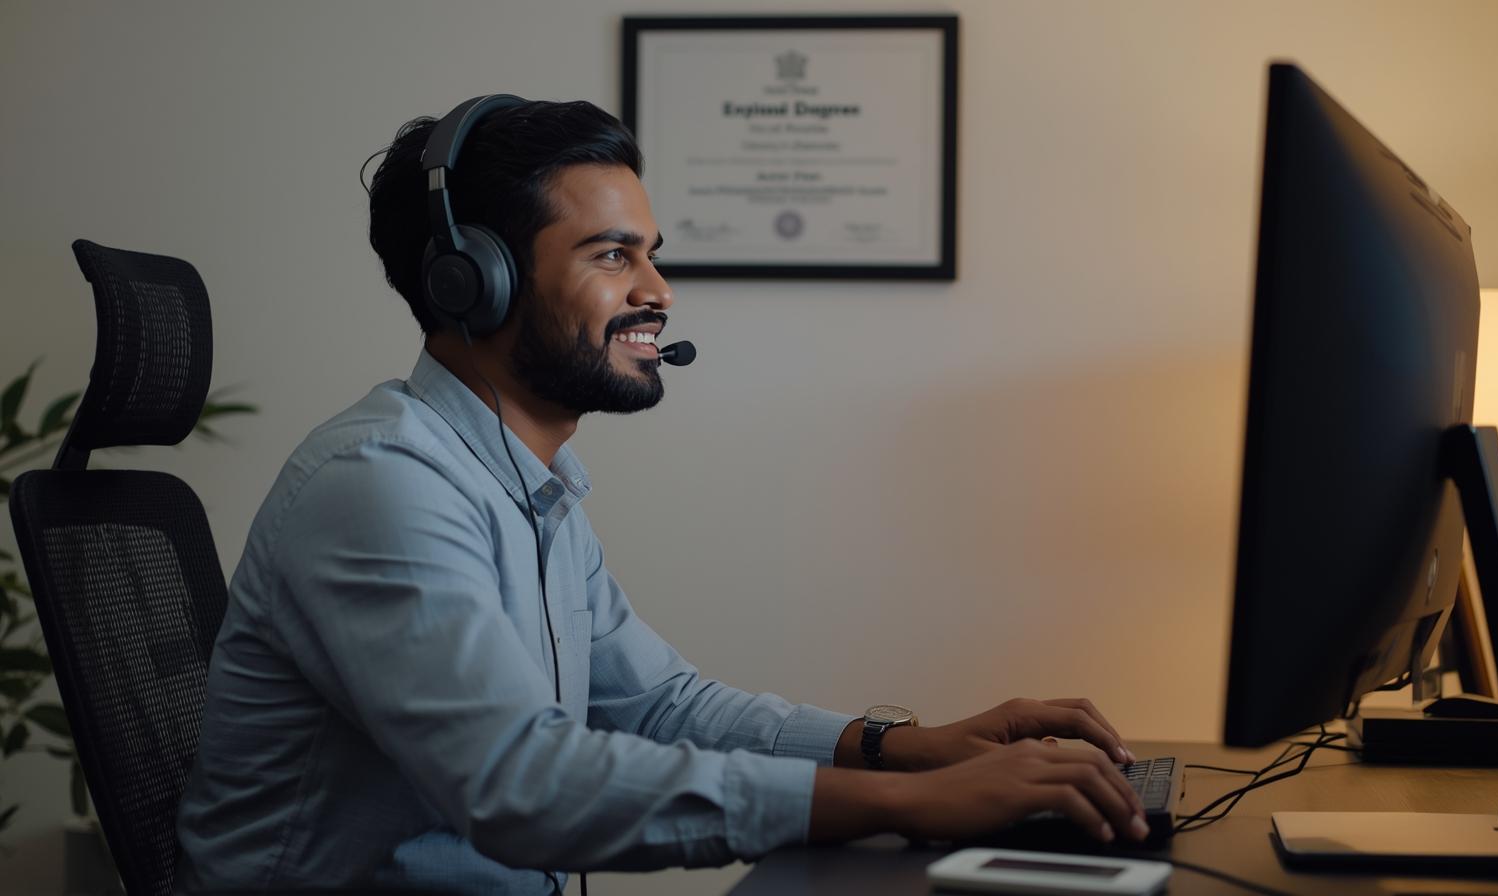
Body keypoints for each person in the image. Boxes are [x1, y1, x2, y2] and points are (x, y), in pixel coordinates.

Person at [175, 97, 1147, 895]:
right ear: (477, 282)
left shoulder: (528, 489)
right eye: (612, 255)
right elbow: (518, 787)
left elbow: (659, 702)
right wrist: (910, 803)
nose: (660, 290)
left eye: (651, 251)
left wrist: (904, 747)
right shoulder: (380, 484)